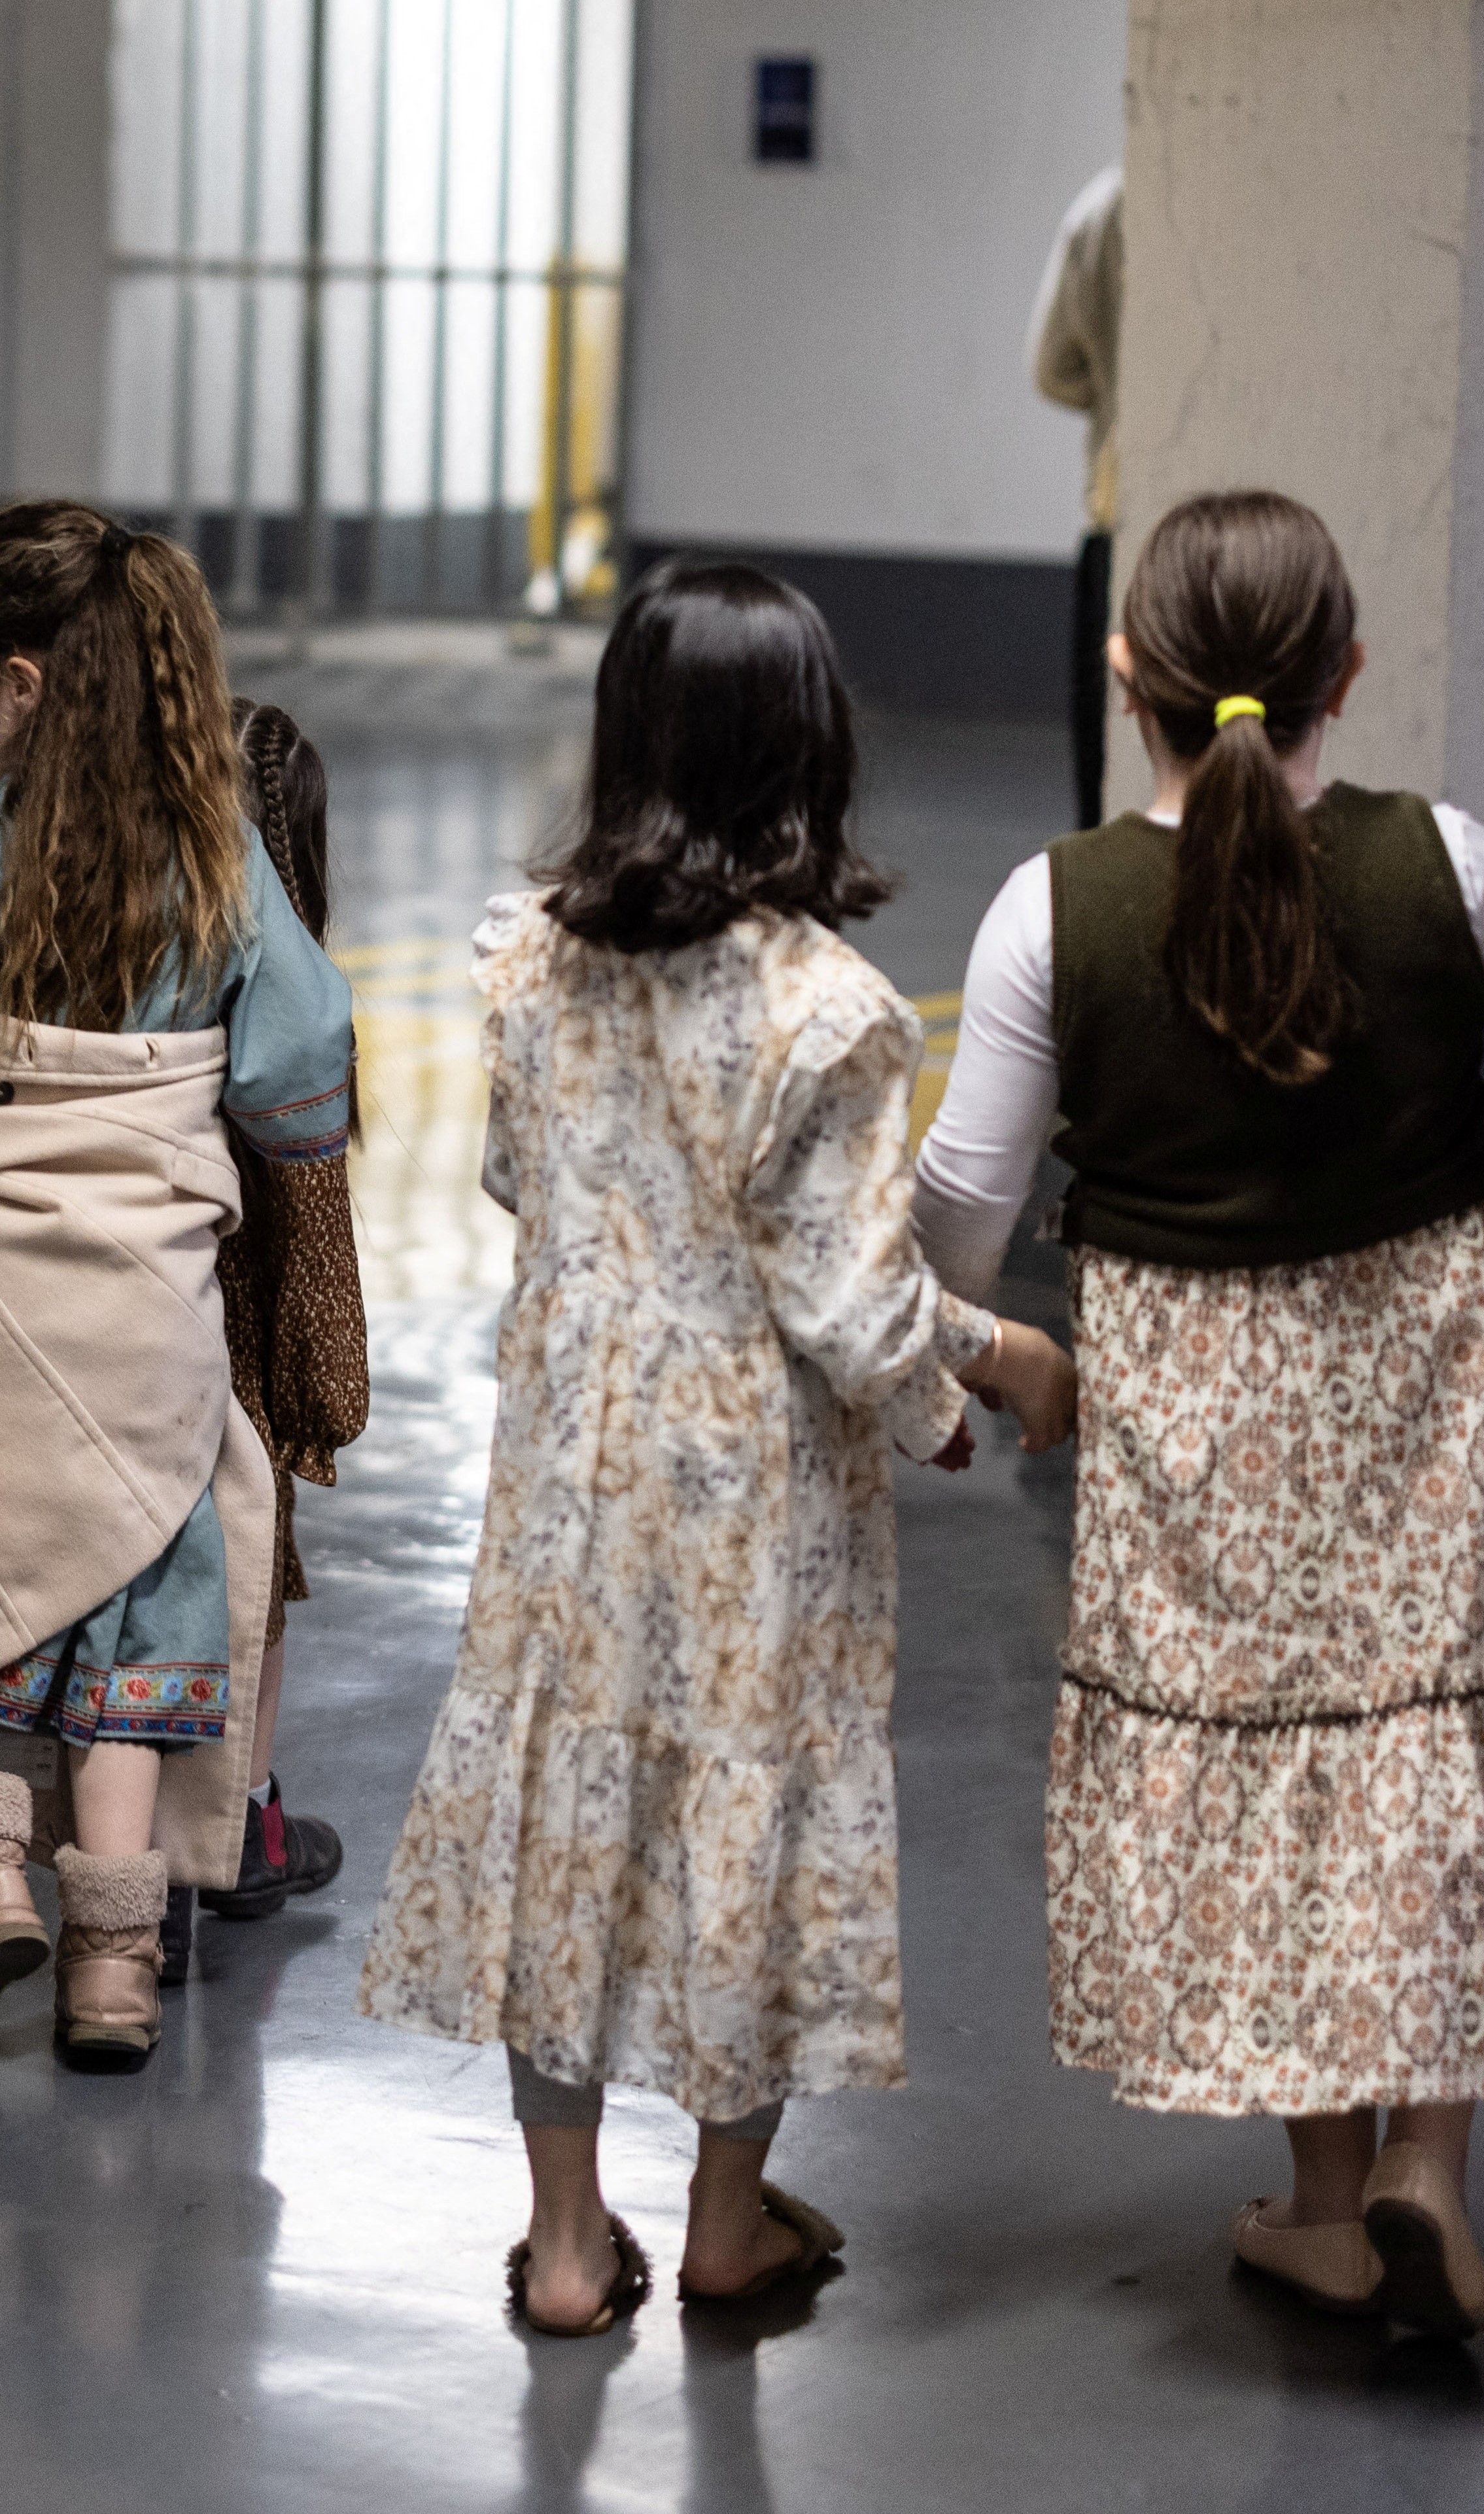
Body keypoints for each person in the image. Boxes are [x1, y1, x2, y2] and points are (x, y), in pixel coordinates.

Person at [910, 488, 1484, 2341]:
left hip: (1196, 1419)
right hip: (1419, 1389)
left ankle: (1326, 2194)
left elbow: (953, 1229)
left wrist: (1002, 1356)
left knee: (1270, 1765)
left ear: (1123, 675)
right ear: (1346, 673)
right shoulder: (1445, 867)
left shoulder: (1046, 911)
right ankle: (1425, 2178)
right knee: (1424, 1737)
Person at [360, 563, 1076, 2335]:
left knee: (572, 1798)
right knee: (744, 1801)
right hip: (747, 1482)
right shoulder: (828, 1009)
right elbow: (845, 1305)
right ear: (808, 754)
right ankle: (729, 2219)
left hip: (565, 1455)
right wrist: (984, 1367)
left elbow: (523, 1180)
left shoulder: (523, 956)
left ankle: (555, 2234)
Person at [0, 500, 349, 2076]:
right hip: (147, 1300)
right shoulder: (217, 851)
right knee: (141, 1582)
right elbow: (297, 1065)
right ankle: (112, 1968)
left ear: (20, 680)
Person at [197, 697, 371, 1954]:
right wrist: (327, 1401)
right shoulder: (299, 1036)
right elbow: (322, 1304)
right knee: (254, 1572)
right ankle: (244, 1826)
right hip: (240, 1382)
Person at [1029, 166, 1124, 831]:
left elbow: (1050, 367)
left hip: (1119, 512)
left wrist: (1114, 403)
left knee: (1107, 778)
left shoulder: (1103, 205)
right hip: (1247, 532)